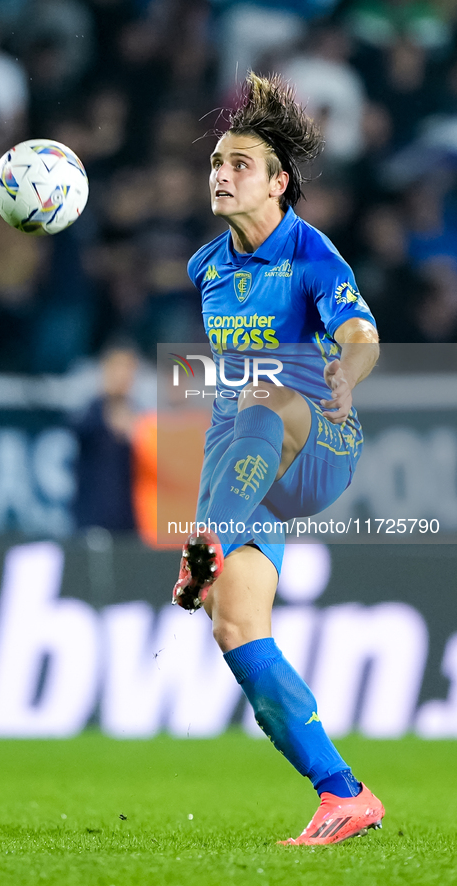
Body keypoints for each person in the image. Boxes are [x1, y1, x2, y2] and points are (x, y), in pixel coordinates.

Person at [171, 73, 383, 846]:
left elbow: (360, 334)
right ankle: (343, 794)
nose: (220, 175)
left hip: (315, 434)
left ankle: (208, 542)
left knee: (264, 395)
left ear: (277, 182)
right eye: (216, 163)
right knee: (235, 628)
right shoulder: (207, 266)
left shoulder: (311, 253)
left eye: (239, 164)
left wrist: (344, 373)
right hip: (243, 461)